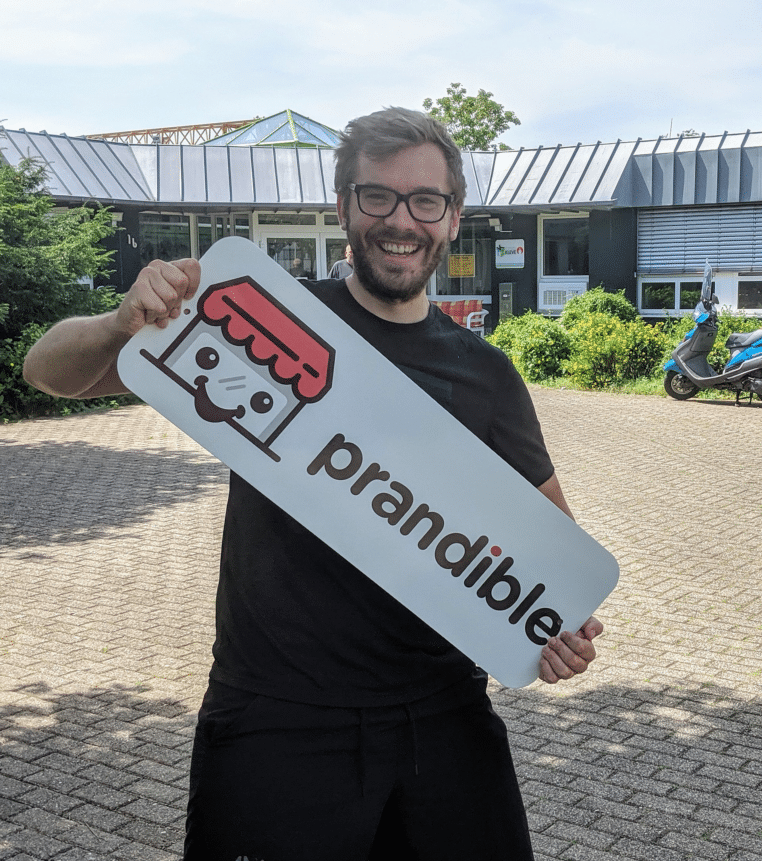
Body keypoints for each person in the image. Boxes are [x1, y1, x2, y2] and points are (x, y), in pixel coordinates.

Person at [24, 107, 604, 861]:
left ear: (453, 217)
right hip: (276, 721)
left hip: (445, 719)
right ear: (343, 207)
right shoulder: (262, 318)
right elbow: (47, 372)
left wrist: (557, 630)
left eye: (425, 200)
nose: (402, 221)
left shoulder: (485, 373)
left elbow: (550, 551)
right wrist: (118, 320)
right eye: (378, 197)